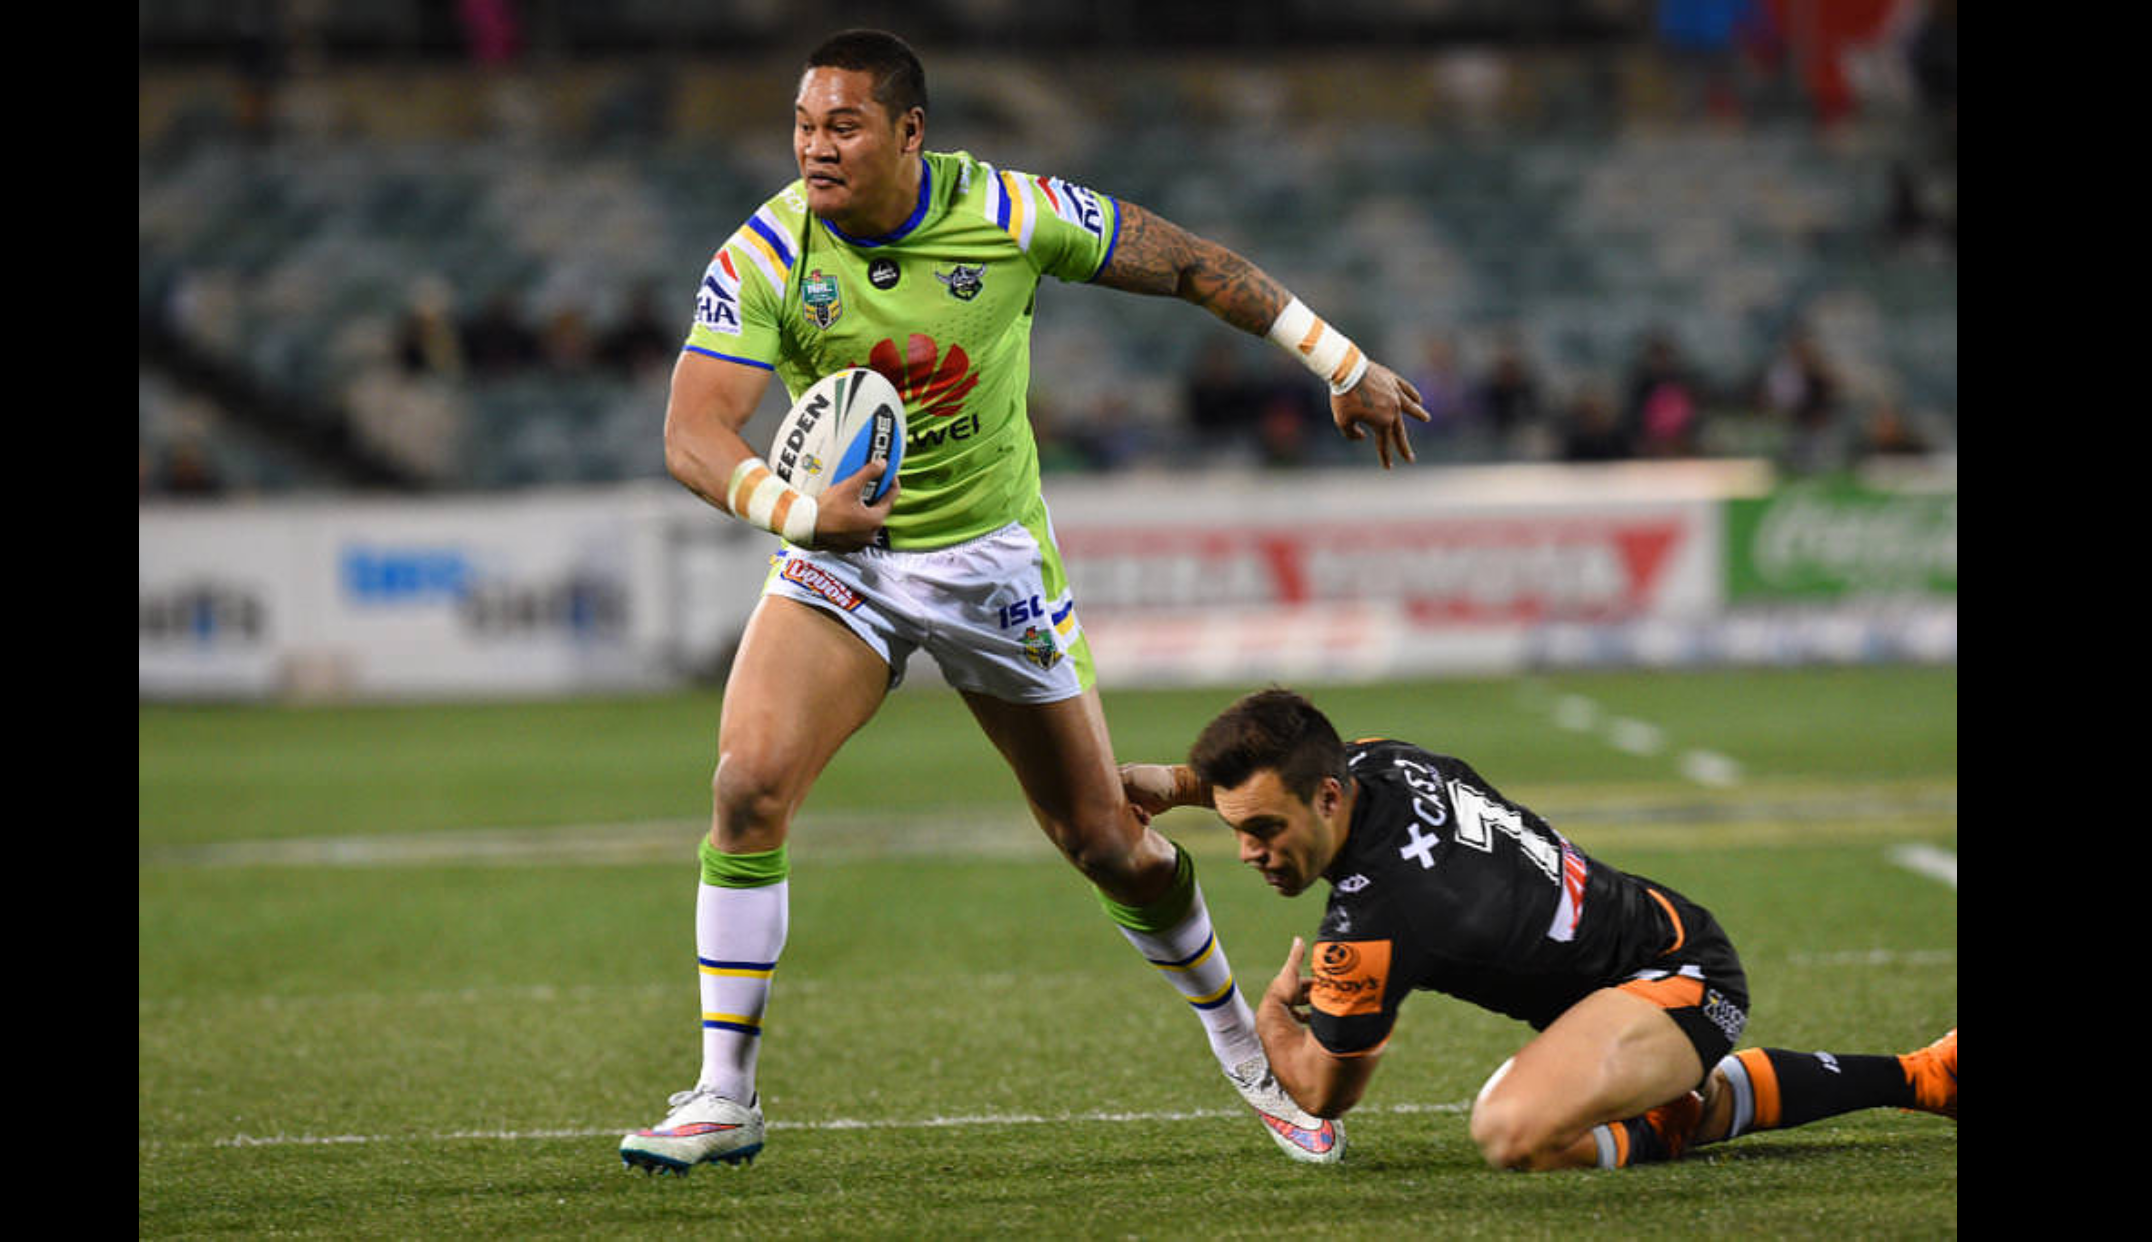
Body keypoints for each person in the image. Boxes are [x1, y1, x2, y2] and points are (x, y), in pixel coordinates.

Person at [619, 30, 1431, 1177]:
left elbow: (1191, 264)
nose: (815, 148)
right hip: (844, 555)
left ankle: (1250, 1056)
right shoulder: (768, 249)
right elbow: (692, 430)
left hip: (991, 563)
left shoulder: (1008, 212)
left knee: (1105, 841)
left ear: (910, 132)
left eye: (844, 125)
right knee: (746, 787)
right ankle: (723, 1095)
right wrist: (797, 514)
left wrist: (1341, 363)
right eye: (803, 126)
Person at [1119, 687, 1956, 1171]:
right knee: (1572, 1100)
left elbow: (1321, 1093)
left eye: (1264, 830)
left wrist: (1271, 1015)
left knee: (1514, 1131)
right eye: (1237, 827)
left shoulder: (1375, 920)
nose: (1247, 852)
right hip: (1654, 942)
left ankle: (1670, 1118)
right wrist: (1178, 783)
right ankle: (1925, 1076)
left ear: (1329, 799)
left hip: (1672, 979)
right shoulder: (1381, 759)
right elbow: (1292, 768)